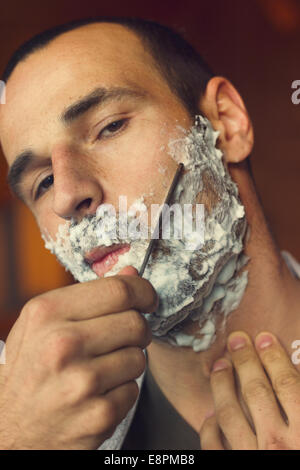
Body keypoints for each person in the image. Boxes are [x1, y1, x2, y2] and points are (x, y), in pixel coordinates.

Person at [0, 17, 300, 451]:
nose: (66, 195)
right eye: (43, 182)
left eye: (109, 128)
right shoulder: (14, 418)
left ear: (226, 125)